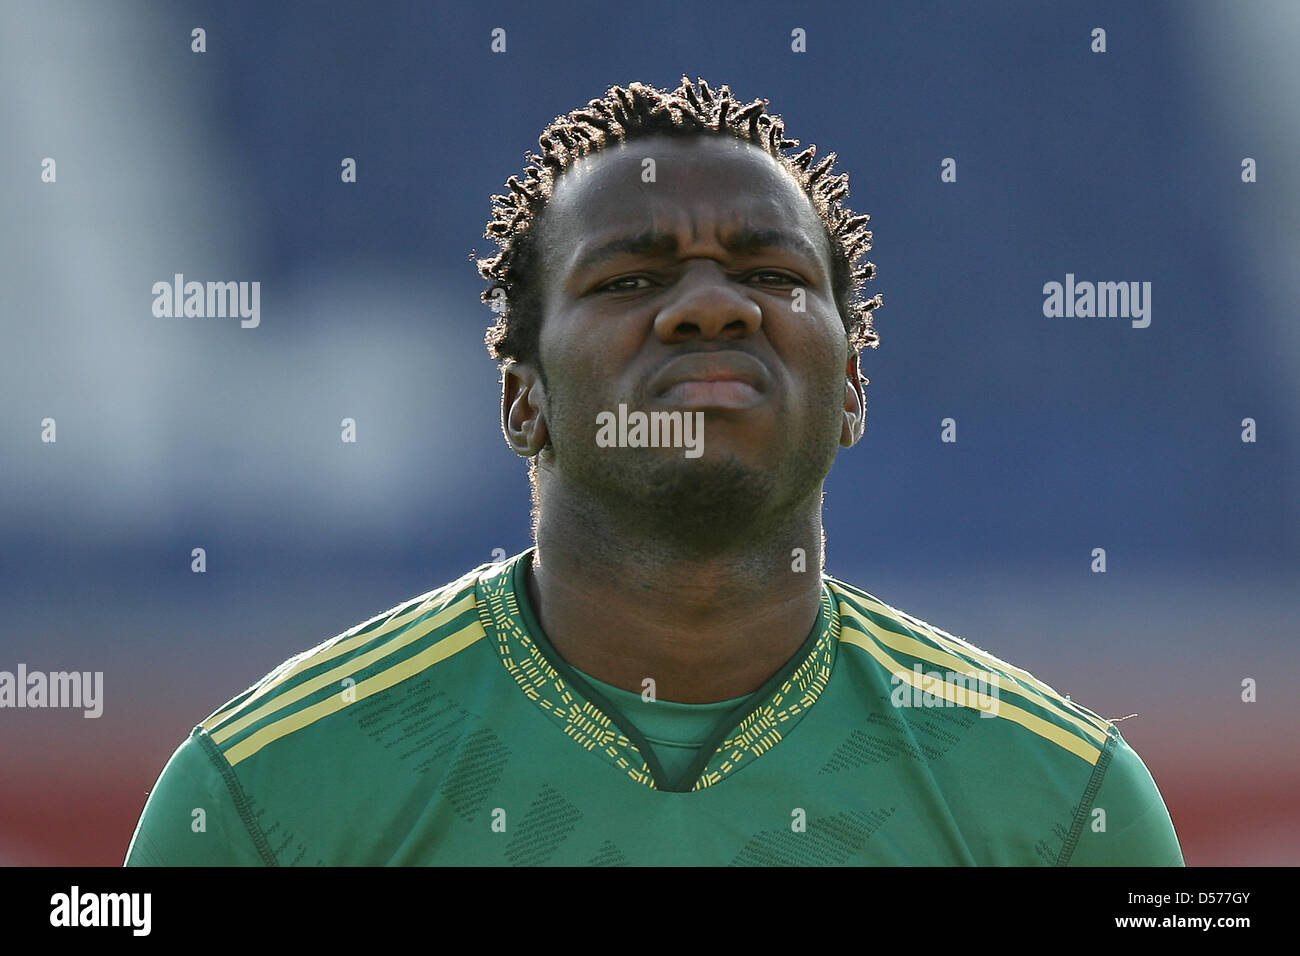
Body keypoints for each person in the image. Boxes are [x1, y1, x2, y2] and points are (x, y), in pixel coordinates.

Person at [124, 77, 1183, 865]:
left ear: (851, 385)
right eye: (632, 276)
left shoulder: (1064, 805)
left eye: (769, 272)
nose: (712, 305)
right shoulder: (263, 796)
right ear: (521, 397)